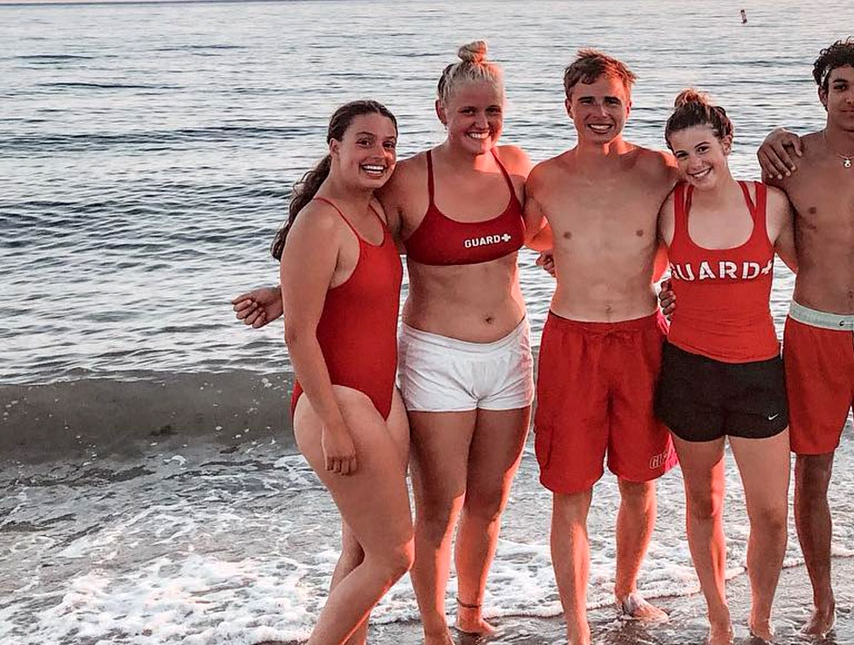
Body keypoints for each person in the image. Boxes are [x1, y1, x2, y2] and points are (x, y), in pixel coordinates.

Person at [233, 42, 539, 645]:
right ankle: (432, 630)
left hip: (495, 357)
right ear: (442, 112)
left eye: (492, 111)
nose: (481, 123)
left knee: (456, 510)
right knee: (415, 527)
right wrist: (287, 296)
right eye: (468, 111)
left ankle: (461, 615)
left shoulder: (511, 169)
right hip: (413, 369)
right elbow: (328, 264)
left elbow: (364, 264)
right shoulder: (393, 187)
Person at [751, 37, 854, 640]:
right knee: (812, 472)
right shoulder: (790, 159)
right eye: (841, 86)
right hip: (814, 330)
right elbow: (751, 226)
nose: (853, 97)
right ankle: (822, 600)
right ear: (821, 93)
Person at [522, 49, 679, 645]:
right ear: (568, 106)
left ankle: (626, 591)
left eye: (611, 100)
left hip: (642, 337)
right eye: (587, 100)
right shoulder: (547, 177)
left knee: (640, 482)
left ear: (629, 106)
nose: (599, 111)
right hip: (572, 339)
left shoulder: (659, 168)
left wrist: (674, 283)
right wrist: (555, 248)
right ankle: (577, 623)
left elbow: (700, 223)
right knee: (571, 486)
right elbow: (513, 232)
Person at [653, 89, 794, 645]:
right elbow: (632, 267)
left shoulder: (770, 205)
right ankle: (719, 620)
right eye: (681, 155)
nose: (694, 164)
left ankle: (760, 618)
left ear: (727, 143)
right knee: (702, 502)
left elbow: (821, 269)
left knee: (771, 513)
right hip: (688, 372)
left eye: (703, 148)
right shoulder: (671, 209)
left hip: (758, 374)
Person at [277, 100, 410, 645]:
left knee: (360, 550)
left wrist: (277, 294)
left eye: (388, 144)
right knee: (395, 554)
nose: (379, 154)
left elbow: (337, 289)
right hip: (335, 401)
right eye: (365, 141)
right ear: (335, 146)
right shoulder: (318, 221)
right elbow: (299, 335)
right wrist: (332, 422)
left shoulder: (375, 210)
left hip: (384, 397)